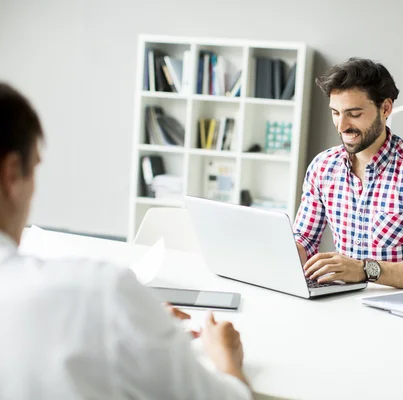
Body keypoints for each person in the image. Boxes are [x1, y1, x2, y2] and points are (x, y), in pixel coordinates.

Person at [0, 83, 251, 399]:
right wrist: (226, 356)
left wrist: (139, 323)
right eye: (34, 169)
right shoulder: (103, 292)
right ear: (12, 174)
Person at [294, 58, 403, 289]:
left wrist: (365, 270)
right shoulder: (322, 167)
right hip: (343, 302)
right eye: (336, 113)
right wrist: (285, 251)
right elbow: (305, 239)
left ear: (385, 108)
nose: (341, 126)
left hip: (401, 308)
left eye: (354, 114)